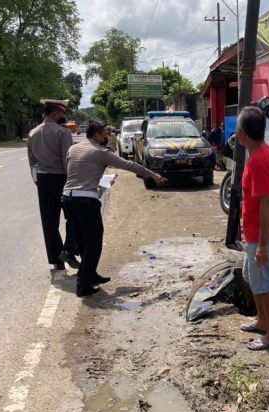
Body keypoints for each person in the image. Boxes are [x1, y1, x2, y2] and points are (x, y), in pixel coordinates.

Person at [62, 122, 166, 296]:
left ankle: (91, 274)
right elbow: (129, 165)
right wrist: (153, 175)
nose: (106, 138)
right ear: (96, 135)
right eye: (104, 135)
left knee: (82, 239)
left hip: (67, 198)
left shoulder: (73, 149)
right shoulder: (101, 152)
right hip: (85, 201)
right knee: (93, 242)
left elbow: (74, 172)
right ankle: (83, 283)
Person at [236, 107, 269, 351]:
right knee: (251, 276)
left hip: (265, 233)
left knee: (264, 282)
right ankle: (263, 320)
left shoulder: (261, 160)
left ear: (244, 132)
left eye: (237, 127)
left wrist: (264, 244)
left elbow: (267, 202)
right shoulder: (265, 153)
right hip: (258, 230)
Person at [27, 99, 80, 270]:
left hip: (42, 179)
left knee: (49, 221)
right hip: (62, 178)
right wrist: (73, 181)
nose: (63, 116)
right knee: (74, 216)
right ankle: (68, 250)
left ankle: (56, 259)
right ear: (55, 112)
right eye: (62, 113)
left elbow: (32, 161)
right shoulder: (62, 132)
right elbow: (68, 159)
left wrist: (38, 181)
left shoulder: (33, 133)